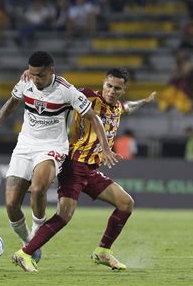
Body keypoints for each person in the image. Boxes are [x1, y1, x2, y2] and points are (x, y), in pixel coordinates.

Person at [0, 51, 119, 262]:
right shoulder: (26, 81)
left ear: (51, 71)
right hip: (25, 145)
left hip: (52, 146)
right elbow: (12, 103)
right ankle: (29, 242)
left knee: (38, 188)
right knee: (11, 205)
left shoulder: (66, 91)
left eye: (40, 75)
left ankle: (37, 233)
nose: (35, 79)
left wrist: (106, 148)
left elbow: (94, 117)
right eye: (32, 74)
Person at [12, 68, 156, 272]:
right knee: (65, 214)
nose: (112, 91)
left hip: (90, 170)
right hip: (74, 164)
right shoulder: (87, 96)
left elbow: (128, 107)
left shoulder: (117, 109)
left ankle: (103, 252)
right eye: (109, 86)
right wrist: (32, 73)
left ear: (124, 89)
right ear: (103, 83)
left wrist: (145, 101)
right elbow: (61, 89)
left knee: (125, 203)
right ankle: (25, 253)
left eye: (117, 88)